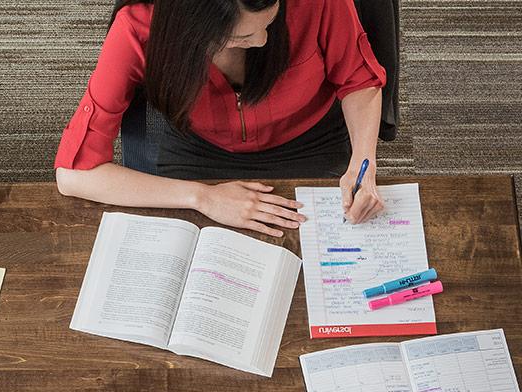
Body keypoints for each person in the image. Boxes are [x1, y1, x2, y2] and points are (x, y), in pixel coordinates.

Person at [54, 0, 388, 238]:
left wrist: (365, 161)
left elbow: (359, 80)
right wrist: (202, 197)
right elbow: (74, 175)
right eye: (240, 38)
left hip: (309, 143)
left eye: (269, 24)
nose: (261, 41)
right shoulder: (140, 26)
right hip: (198, 151)